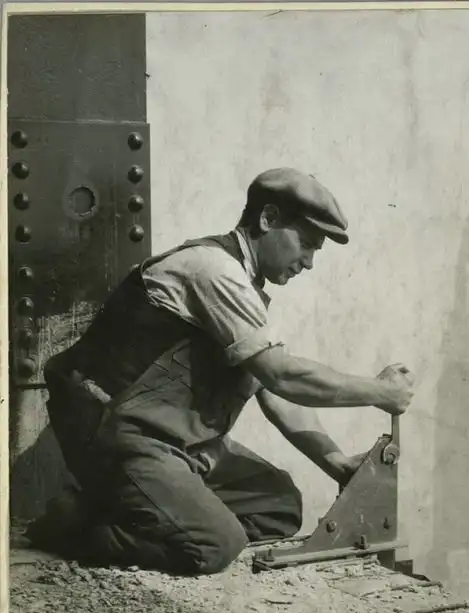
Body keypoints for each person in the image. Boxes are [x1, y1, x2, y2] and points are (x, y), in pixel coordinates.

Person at [25, 167, 415, 576]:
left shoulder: (243, 285)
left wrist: (335, 462)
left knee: (278, 507)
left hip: (170, 440)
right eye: (306, 244)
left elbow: (273, 391)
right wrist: (379, 392)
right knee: (215, 545)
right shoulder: (212, 271)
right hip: (116, 432)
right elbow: (284, 376)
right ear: (268, 219)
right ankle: (78, 525)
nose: (309, 263)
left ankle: (139, 504)